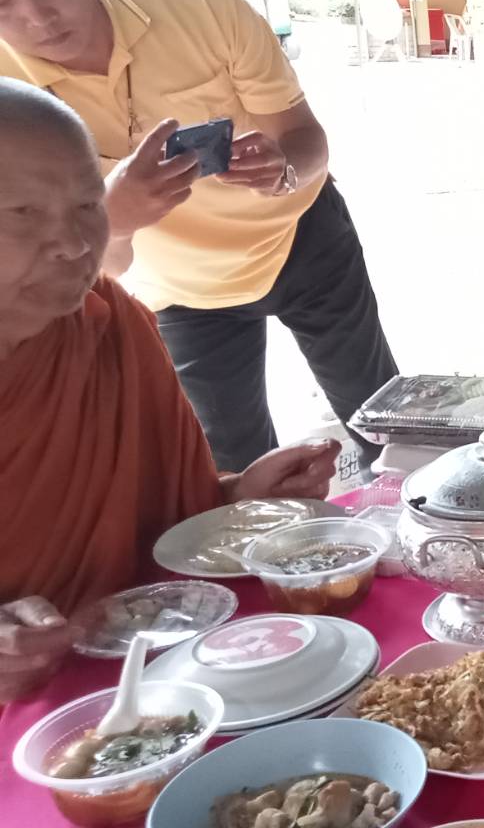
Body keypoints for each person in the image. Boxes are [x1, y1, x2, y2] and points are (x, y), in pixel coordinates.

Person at [0, 0, 397, 473]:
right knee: (230, 468)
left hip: (305, 241)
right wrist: (114, 218)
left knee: (386, 422)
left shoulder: (203, 5)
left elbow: (307, 139)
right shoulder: (11, 102)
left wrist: (284, 169)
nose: (38, 17)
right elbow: (97, 272)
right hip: (181, 292)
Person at [0, 79, 339, 704]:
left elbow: (160, 526)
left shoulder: (107, 321)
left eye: (86, 206)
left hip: (162, 669)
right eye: (23, 214)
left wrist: (239, 497)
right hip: (33, 718)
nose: (76, 246)